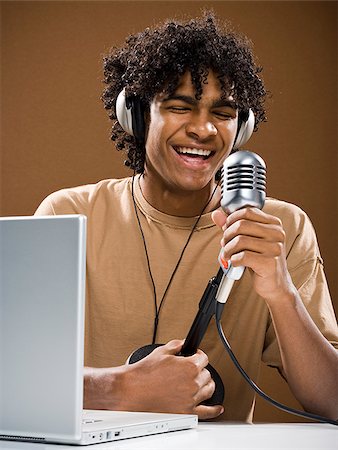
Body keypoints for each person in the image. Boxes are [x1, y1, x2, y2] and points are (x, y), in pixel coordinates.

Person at [35, 12, 338, 422]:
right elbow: (14, 378)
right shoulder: (67, 216)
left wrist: (281, 292)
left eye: (224, 113)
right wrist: (120, 389)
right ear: (138, 117)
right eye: (181, 107)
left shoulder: (280, 230)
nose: (204, 130)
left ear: (241, 128)